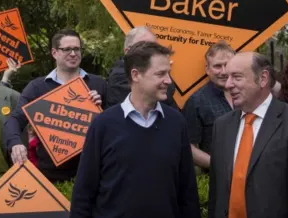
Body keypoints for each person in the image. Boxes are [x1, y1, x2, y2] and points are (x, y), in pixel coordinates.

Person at [70, 41, 200, 218]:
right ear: (136, 75)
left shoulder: (176, 123)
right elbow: (83, 193)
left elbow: (188, 193)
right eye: (161, 74)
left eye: (168, 73)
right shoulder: (103, 124)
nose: (168, 81)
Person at [208, 52, 288, 218]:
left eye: (237, 77)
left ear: (263, 78)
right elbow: (216, 193)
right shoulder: (222, 125)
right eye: (227, 77)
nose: (228, 84)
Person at [5, 29, 107, 182]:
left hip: (92, 172)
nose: (73, 53)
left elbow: (117, 123)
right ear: (54, 53)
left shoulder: (99, 84)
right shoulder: (37, 87)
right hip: (50, 176)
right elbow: (15, 119)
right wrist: (15, 143)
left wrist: (102, 110)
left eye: (77, 49)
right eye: (67, 49)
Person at [182, 41, 234, 170]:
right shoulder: (196, 101)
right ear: (207, 69)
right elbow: (189, 147)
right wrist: (220, 166)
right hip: (216, 179)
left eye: (227, 65)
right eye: (217, 66)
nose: (223, 71)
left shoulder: (247, 95)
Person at [106, 26, 177, 108]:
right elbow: (164, 97)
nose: (152, 53)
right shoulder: (119, 76)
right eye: (144, 48)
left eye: (155, 48)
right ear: (128, 52)